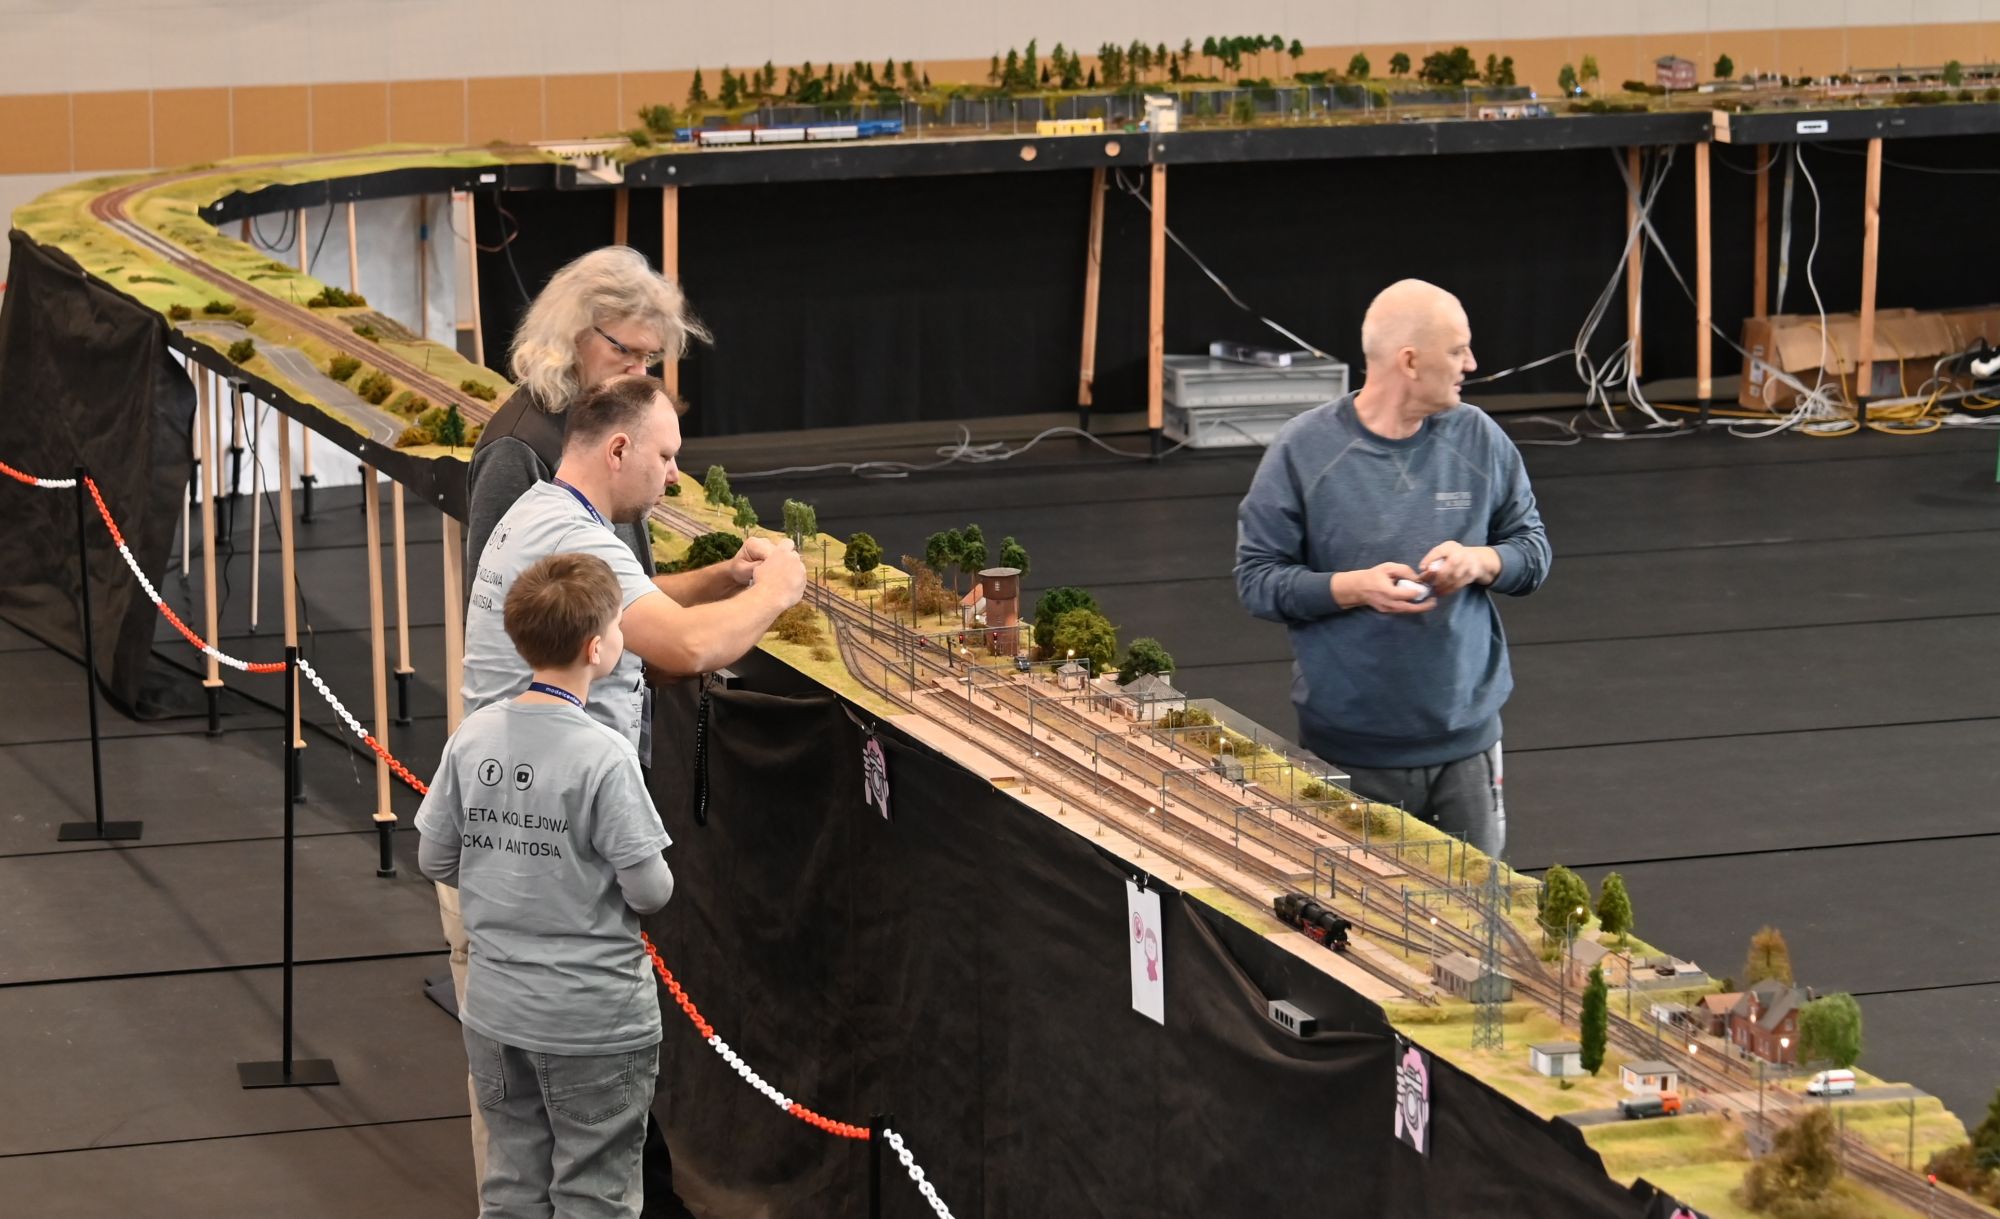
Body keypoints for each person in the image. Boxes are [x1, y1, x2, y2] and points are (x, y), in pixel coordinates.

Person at [448, 374, 804, 1214]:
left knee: (517, 1177)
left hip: (503, 958)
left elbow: (627, 607)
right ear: (619, 449)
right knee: (599, 1183)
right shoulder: (596, 756)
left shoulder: (535, 517)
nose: (674, 477)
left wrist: (720, 577)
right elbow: (682, 649)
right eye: (667, 456)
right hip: (580, 960)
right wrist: (776, 588)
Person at [1234, 279, 1551, 860]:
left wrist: (1479, 561)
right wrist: (1354, 588)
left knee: (1478, 907)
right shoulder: (1303, 450)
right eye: (1458, 350)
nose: (1472, 364)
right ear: (1410, 361)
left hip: (1468, 746)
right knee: (1354, 907)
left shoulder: (1480, 438)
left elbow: (1532, 551)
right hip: (1348, 752)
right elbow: (1256, 580)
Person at [418, 551, 676, 1219]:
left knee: (511, 1189)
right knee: (595, 1196)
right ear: (597, 648)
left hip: (497, 1012)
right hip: (593, 1019)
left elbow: (434, 858)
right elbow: (651, 890)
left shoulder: (472, 737)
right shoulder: (605, 755)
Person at [467, 244, 710, 595]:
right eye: (624, 350)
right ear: (574, 333)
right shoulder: (516, 448)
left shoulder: (604, 419)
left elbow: (630, 591)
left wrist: (726, 578)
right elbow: (492, 599)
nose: (640, 372)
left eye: (648, 357)